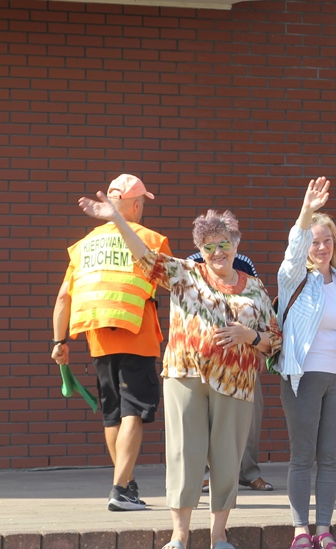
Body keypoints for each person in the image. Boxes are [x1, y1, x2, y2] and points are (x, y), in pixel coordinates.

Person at [77, 193, 280, 549]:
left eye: (223, 243)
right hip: (185, 376)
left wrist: (249, 336)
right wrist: (118, 220)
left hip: (236, 383)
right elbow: (145, 257)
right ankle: (179, 535)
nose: (217, 251)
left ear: (236, 244)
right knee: (184, 454)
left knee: (227, 458)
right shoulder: (185, 273)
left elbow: (275, 340)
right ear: (200, 249)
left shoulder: (256, 289)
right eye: (208, 246)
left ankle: (219, 535)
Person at [51, 173, 170, 512]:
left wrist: (59, 341)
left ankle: (126, 484)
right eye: (142, 202)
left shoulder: (85, 244)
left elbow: (63, 298)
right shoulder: (152, 239)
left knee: (112, 414)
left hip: (99, 339)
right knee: (134, 411)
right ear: (135, 205)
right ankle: (120, 489)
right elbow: (171, 282)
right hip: (137, 334)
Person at [277, 177, 336, 549]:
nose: (322, 247)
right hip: (303, 376)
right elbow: (294, 249)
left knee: (331, 457)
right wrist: (306, 211)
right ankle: (301, 530)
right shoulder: (293, 277)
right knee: (303, 456)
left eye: (328, 240)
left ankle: (325, 530)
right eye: (315, 241)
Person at [185, 251, 273, 493]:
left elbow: (260, 309)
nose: (218, 248)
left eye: (226, 239)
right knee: (206, 419)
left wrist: (261, 351)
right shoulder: (192, 263)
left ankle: (248, 473)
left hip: (244, 357)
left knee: (250, 418)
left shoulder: (244, 263)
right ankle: (207, 475)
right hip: (205, 358)